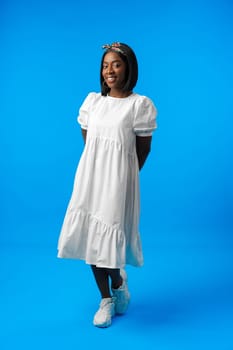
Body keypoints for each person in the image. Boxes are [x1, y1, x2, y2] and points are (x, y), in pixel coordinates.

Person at [57, 42, 157, 328]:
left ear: (128, 68)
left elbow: (143, 149)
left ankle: (117, 279)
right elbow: (90, 142)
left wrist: (122, 175)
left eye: (116, 64)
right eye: (105, 65)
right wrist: (97, 167)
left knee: (108, 237)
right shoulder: (93, 102)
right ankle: (106, 299)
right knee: (91, 238)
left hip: (118, 182)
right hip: (90, 178)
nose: (109, 70)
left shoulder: (139, 105)